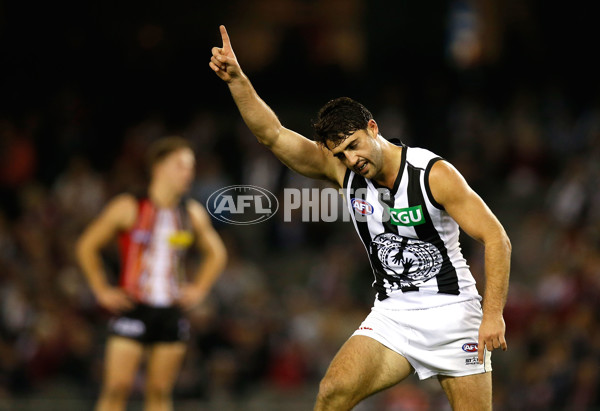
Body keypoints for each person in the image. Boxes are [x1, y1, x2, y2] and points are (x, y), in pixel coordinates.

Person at [210, 25, 510, 410]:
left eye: (354, 146)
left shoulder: (433, 174)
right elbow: (272, 134)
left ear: (373, 128)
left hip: (455, 316)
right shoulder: (344, 172)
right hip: (395, 315)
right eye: (341, 154)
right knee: (332, 392)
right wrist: (237, 80)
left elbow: (497, 237)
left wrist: (493, 315)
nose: (352, 160)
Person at [76, 137, 227, 411]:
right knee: (116, 389)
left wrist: (199, 289)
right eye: (180, 165)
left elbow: (217, 253)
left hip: (170, 310)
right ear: (158, 167)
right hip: (133, 306)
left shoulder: (190, 213)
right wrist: (101, 289)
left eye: (190, 167)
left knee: (159, 392)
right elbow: (87, 245)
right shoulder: (129, 206)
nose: (188, 173)